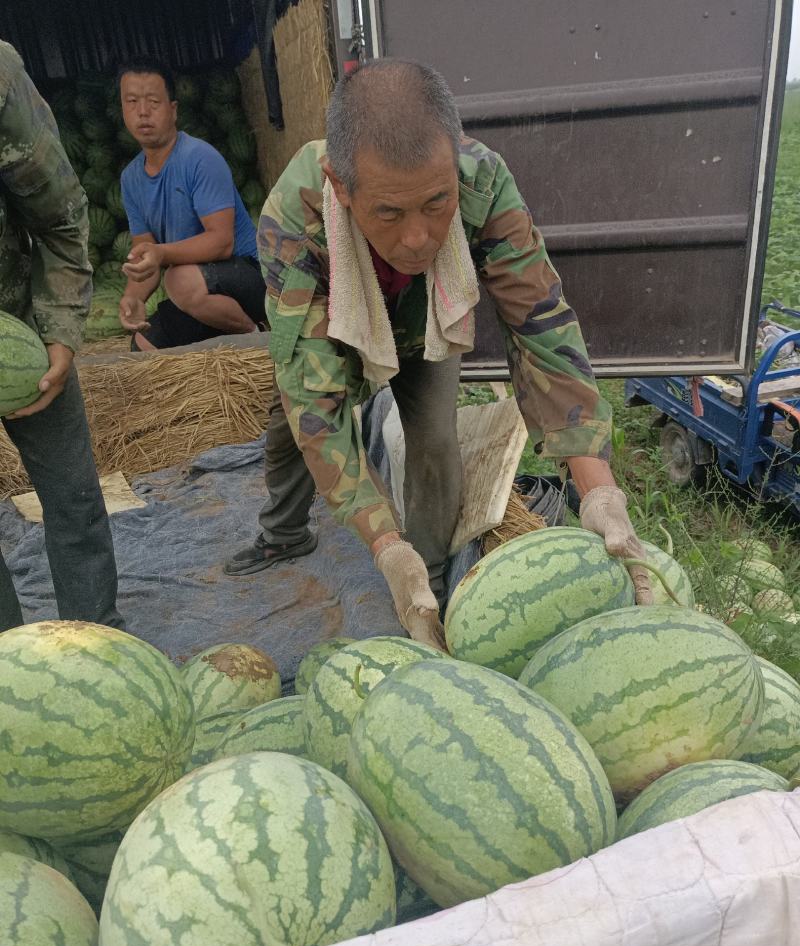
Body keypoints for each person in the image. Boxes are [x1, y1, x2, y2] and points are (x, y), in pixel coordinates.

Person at [226, 59, 651, 648]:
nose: (419, 238)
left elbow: (541, 328)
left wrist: (598, 488)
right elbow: (315, 399)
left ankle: (427, 588)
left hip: (429, 320)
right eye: (390, 213)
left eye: (435, 204)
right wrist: (380, 541)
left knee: (434, 441)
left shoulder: (482, 180)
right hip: (337, 324)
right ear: (340, 186)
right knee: (295, 430)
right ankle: (284, 531)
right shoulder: (294, 221)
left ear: (454, 161)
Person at [0, 41, 123, 632]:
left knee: (73, 498)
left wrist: (59, 330)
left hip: (17, 317)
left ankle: (98, 645)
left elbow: (60, 214)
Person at [116, 58, 265, 351]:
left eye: (153, 102)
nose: (142, 112)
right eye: (132, 101)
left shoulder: (200, 158)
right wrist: (133, 298)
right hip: (200, 291)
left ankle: (256, 335)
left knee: (178, 279)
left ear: (173, 110)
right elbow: (145, 257)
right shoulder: (130, 178)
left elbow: (222, 242)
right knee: (143, 345)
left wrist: (161, 253)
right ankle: (229, 335)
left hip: (246, 276)